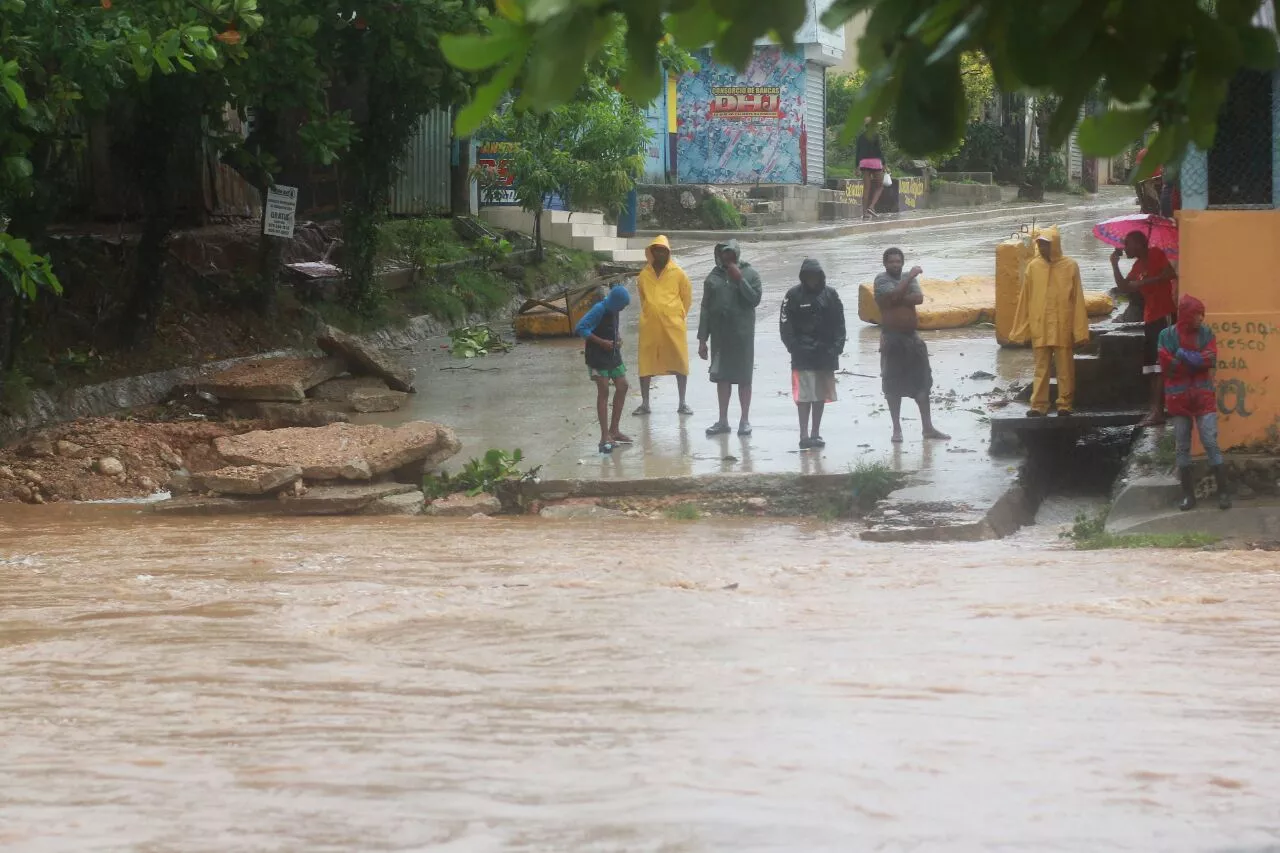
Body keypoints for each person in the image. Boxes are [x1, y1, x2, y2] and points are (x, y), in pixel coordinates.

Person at [1158, 295, 1231, 512]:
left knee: (1210, 441)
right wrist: (1194, 361)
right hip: (1178, 398)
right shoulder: (1166, 335)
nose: (1202, 318)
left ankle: (1224, 492)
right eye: (1198, 314)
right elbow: (1166, 364)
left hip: (1202, 396)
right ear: (1189, 315)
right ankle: (1188, 496)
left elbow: (1209, 360)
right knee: (1182, 445)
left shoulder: (1206, 333)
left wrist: (1181, 355)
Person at [1011, 227, 1090, 417]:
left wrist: (1080, 331)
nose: (1043, 248)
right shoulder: (1033, 267)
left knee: (1065, 367)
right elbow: (1025, 299)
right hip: (1040, 324)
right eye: (1040, 244)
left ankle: (1064, 404)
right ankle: (1038, 405)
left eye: (1046, 244)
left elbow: (1077, 299)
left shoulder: (1070, 266)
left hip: (1062, 324)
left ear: (1055, 245)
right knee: (1040, 368)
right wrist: (1021, 329)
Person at [873, 248, 951, 443]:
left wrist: (898, 297)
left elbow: (918, 298)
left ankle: (927, 428)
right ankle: (897, 430)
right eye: (891, 262)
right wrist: (908, 280)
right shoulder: (881, 280)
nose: (895, 265)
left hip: (912, 338)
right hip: (892, 339)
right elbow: (889, 298)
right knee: (892, 385)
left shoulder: (909, 279)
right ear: (885, 264)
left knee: (923, 382)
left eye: (898, 261)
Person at [1111, 230, 1178, 425]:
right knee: (1151, 366)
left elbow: (1170, 274)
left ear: (1140, 244)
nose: (1125, 247)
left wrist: (1145, 282)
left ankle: (1158, 411)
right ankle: (1155, 410)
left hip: (1164, 314)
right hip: (1150, 317)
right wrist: (1114, 265)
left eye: (1128, 243)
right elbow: (1124, 287)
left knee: (1160, 364)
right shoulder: (1137, 266)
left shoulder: (1156, 254)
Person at [698, 240, 763, 437]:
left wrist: (739, 279)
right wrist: (702, 339)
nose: (726, 258)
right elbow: (705, 309)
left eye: (729, 254)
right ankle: (723, 420)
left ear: (736, 254)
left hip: (742, 336)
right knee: (722, 378)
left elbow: (755, 299)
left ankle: (744, 420)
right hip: (720, 337)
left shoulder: (751, 273)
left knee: (744, 377)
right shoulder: (713, 276)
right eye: (723, 255)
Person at [780, 259, 846, 450]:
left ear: (820, 276)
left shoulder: (831, 295)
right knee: (803, 396)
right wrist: (794, 347)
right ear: (802, 276)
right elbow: (785, 325)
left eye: (815, 275)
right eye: (808, 275)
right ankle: (803, 434)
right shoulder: (792, 296)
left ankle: (816, 432)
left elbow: (840, 324)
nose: (811, 279)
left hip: (825, 353)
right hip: (802, 354)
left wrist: (836, 348)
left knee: (820, 395)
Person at [634, 234, 693, 417]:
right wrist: (650, 313)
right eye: (656, 250)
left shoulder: (679, 274)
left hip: (673, 326)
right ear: (651, 252)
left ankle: (682, 402)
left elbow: (687, 298)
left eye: (663, 251)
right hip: (649, 326)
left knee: (680, 361)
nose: (659, 254)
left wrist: (677, 314)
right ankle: (645, 403)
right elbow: (643, 298)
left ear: (668, 253)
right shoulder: (644, 275)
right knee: (646, 362)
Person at [575, 284, 634, 454]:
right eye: (622, 305)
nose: (623, 309)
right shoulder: (599, 309)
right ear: (616, 302)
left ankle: (614, 430)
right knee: (604, 391)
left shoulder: (614, 310)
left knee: (622, 385)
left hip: (613, 354)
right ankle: (604, 436)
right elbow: (581, 328)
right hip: (597, 356)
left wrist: (618, 338)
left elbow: (613, 328)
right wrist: (601, 342)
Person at [855, 120, 886, 220]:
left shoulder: (860, 137)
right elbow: (879, 151)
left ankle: (864, 213)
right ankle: (872, 206)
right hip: (875, 162)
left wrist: (857, 166)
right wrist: (884, 164)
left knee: (866, 189)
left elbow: (858, 152)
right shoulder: (876, 136)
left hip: (864, 163)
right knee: (880, 186)